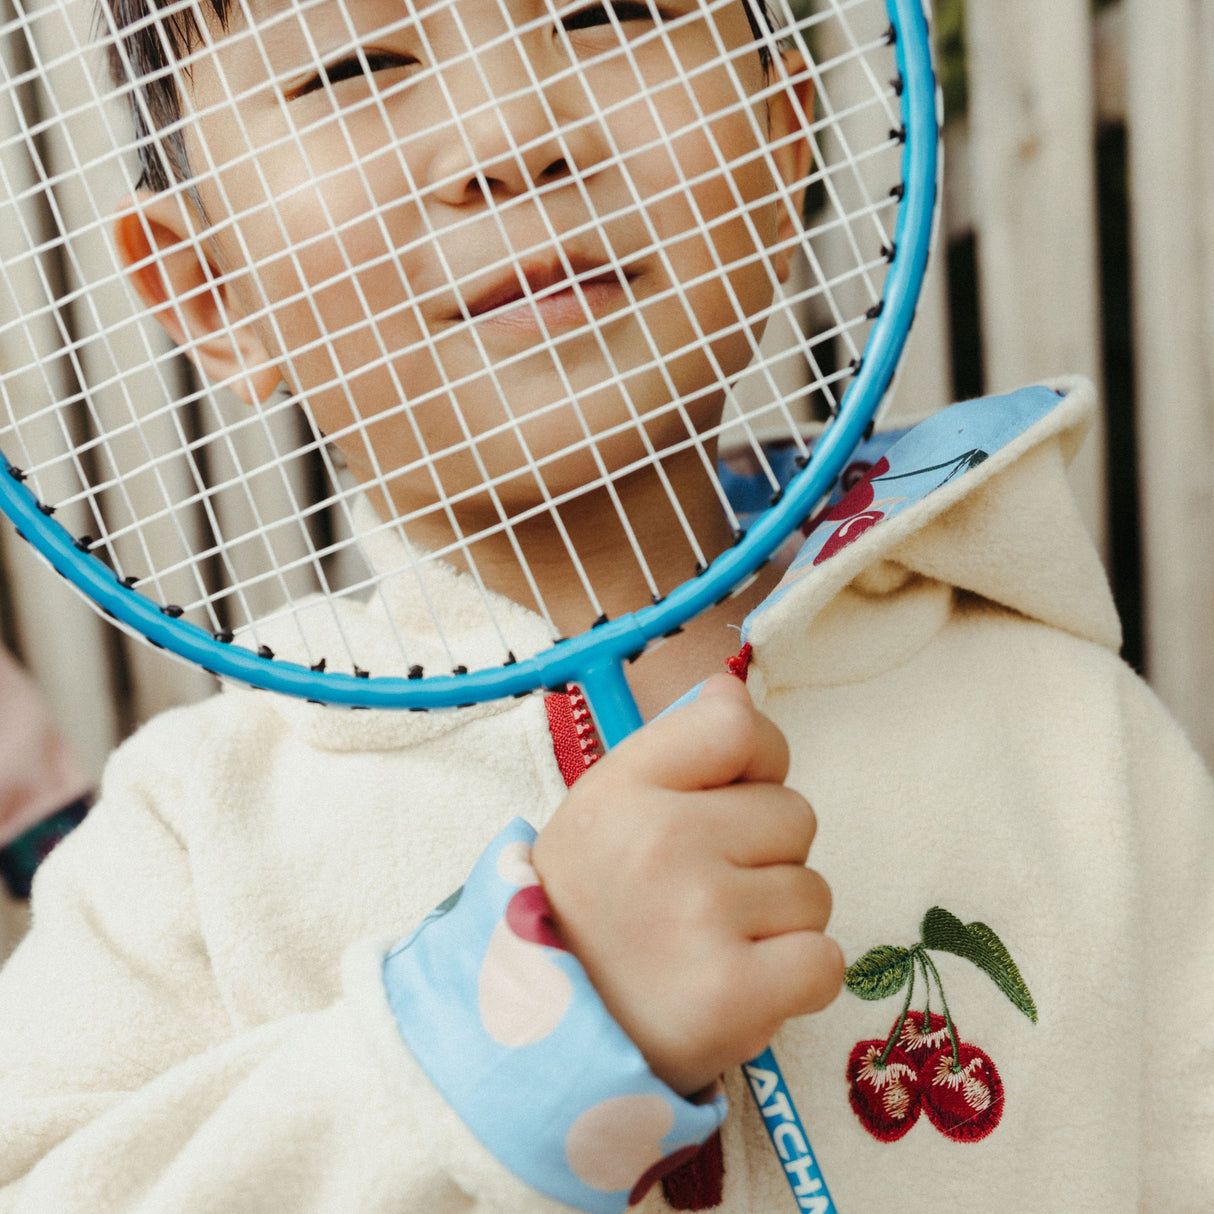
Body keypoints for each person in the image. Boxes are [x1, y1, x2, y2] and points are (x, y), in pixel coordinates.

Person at [1, 1, 1211, 1211]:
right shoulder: (186, 849)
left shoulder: (1070, 731)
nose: (511, 132)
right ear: (205, 286)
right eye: (352, 67)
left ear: (785, 130)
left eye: (606, 11)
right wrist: (518, 1046)